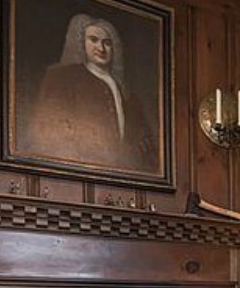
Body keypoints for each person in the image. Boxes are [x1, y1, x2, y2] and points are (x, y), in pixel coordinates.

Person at [25, 14, 156, 172]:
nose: (101, 48)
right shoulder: (62, 78)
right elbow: (46, 129)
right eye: (93, 40)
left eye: (107, 43)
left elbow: (142, 140)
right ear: (82, 43)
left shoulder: (127, 93)